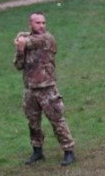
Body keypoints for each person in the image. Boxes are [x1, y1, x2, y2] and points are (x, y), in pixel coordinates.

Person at [13, 12, 75, 166]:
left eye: (43, 23)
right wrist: (20, 50)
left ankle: (69, 151)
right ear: (30, 24)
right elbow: (18, 65)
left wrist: (21, 41)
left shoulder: (47, 39)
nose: (41, 26)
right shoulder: (26, 43)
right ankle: (37, 151)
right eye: (37, 23)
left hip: (47, 88)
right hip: (30, 89)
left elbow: (29, 41)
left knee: (57, 120)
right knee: (33, 122)